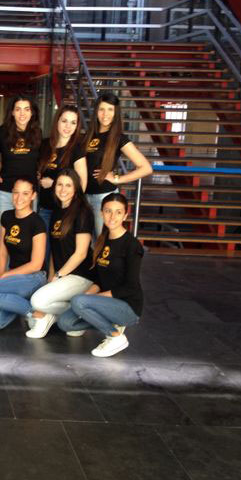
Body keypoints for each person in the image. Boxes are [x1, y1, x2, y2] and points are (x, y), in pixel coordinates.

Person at [57, 193, 144, 358]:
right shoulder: (102, 241)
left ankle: (115, 336)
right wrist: (87, 297)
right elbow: (99, 279)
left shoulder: (132, 245)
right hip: (108, 302)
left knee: (79, 301)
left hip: (128, 307)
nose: (112, 216)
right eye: (108, 211)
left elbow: (131, 287)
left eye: (118, 212)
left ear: (125, 215)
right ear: (101, 213)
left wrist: (90, 300)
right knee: (65, 323)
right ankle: (111, 323)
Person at [26, 168, 93, 339]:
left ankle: (80, 309)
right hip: (62, 275)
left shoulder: (83, 211)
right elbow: (54, 252)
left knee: (37, 301)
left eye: (68, 185)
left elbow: (81, 253)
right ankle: (69, 313)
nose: (63, 189)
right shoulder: (56, 212)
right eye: (60, 185)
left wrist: (58, 275)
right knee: (33, 319)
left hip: (81, 275)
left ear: (76, 188)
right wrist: (50, 278)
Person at [0, 176, 48, 333]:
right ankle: (23, 305)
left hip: (34, 277)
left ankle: (38, 315)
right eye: (16, 192)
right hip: (13, 277)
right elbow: (2, 252)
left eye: (25, 193)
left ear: (33, 196)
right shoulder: (7, 216)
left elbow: (36, 264)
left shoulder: (37, 222)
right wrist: (1, 277)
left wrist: (7, 275)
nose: (19, 198)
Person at [82, 92, 152, 236]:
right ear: (96, 112)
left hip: (103, 197)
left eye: (110, 109)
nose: (105, 114)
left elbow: (146, 168)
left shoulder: (119, 138)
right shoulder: (88, 135)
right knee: (87, 242)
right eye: (101, 109)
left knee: (102, 241)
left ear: (116, 113)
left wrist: (118, 179)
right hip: (84, 196)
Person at [0, 96, 42, 234]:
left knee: (26, 236)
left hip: (29, 193)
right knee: (4, 236)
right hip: (6, 191)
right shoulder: (2, 132)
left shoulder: (37, 132)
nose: (22, 113)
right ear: (12, 112)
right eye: (18, 109)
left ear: (32, 112)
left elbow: (39, 158)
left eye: (26, 109)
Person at [37, 105, 87, 232]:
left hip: (65, 210)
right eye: (64, 121)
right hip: (44, 208)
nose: (68, 126)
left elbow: (82, 185)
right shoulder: (45, 144)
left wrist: (54, 183)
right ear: (57, 121)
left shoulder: (77, 149)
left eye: (73, 123)